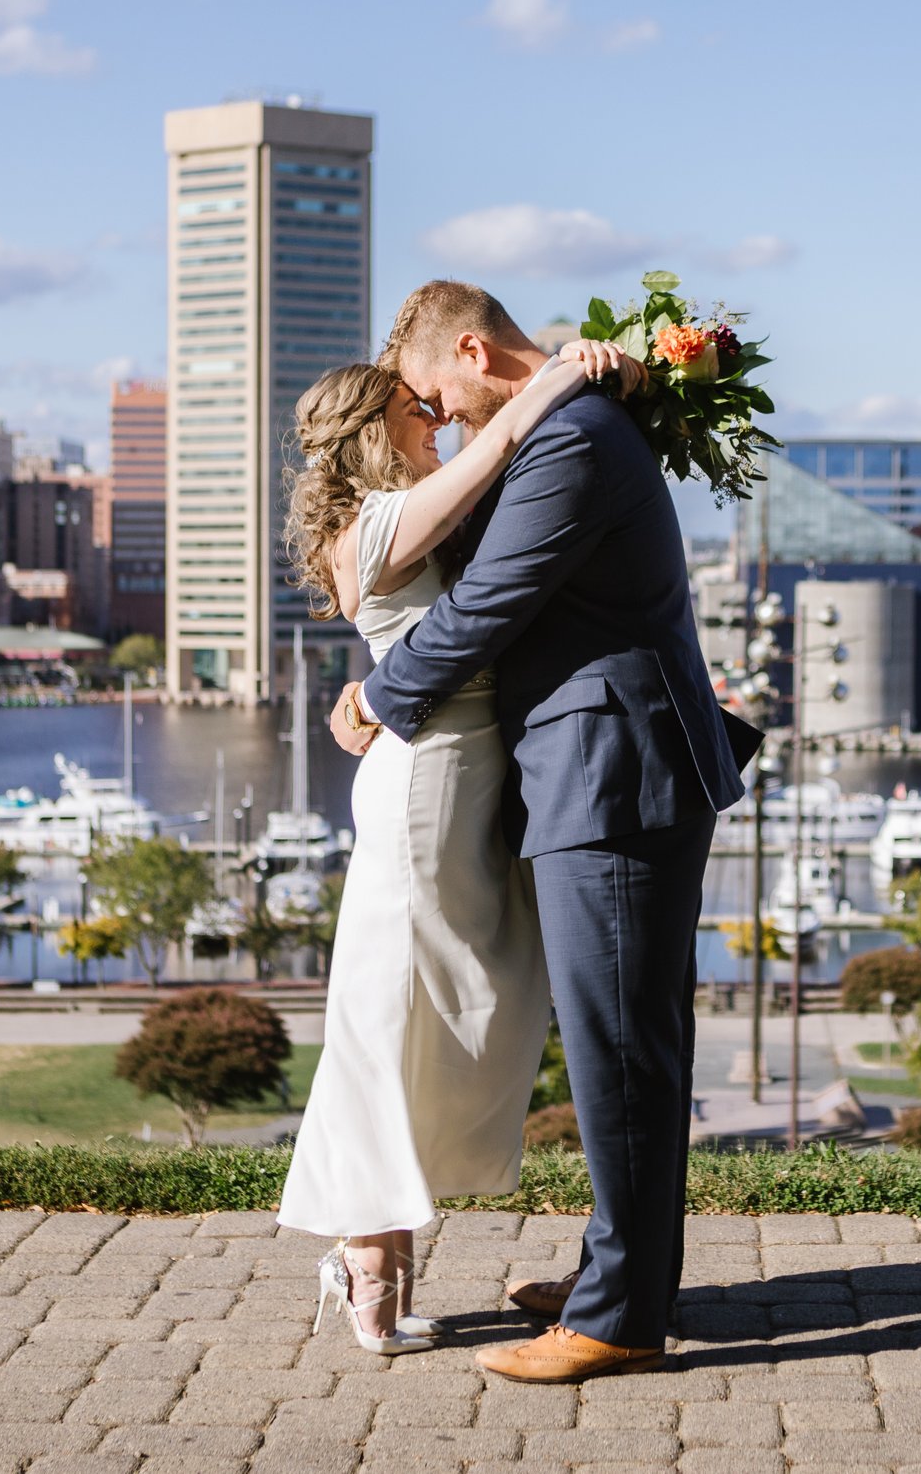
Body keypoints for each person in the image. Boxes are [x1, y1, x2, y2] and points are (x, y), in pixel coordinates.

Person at [333, 280, 750, 1385]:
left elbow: (489, 606)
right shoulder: (571, 414)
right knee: (627, 1039)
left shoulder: (569, 437)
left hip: (614, 765)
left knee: (621, 1045)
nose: (450, 422)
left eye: (440, 397)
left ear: (473, 349)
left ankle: (616, 1316)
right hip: (605, 761)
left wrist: (378, 698)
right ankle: (619, 1276)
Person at [276, 346, 622, 1355]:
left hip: (463, 777)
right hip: (425, 789)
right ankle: (370, 1252)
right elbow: (501, 442)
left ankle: (377, 1246)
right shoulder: (380, 519)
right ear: (371, 428)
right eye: (413, 409)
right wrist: (558, 377)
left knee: (456, 1004)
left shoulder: (393, 511)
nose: (435, 416)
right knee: (392, 1013)